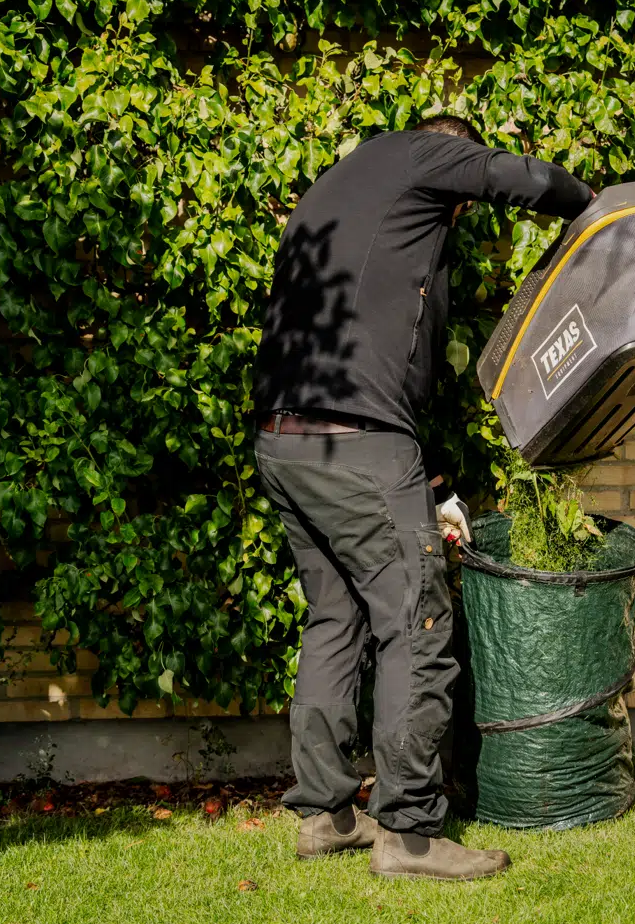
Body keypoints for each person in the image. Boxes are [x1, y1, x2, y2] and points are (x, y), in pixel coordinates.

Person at [252, 115, 593, 880]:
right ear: (451, 153)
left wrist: (428, 473)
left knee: (334, 620)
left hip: (284, 439)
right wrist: (594, 205)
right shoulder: (422, 154)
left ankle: (324, 813)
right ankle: (408, 832)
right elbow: (520, 177)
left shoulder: (336, 192)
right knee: (417, 623)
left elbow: (393, 356)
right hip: (357, 442)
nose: (460, 213)